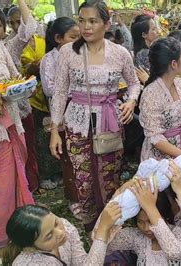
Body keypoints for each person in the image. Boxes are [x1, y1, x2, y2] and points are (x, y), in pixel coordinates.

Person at [49, 1, 141, 232]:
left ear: (106, 24)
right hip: (77, 123)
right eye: (82, 21)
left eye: (92, 21)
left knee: (110, 175)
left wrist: (131, 101)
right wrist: (55, 131)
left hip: (110, 121)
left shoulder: (120, 53)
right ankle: (91, 224)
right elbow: (60, 91)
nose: (86, 27)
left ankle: (111, 221)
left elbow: (134, 83)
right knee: (83, 177)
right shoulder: (68, 52)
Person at [95, 162, 181, 265]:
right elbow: (98, 238)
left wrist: (151, 207)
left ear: (164, 216)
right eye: (140, 222)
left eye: (150, 220)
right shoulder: (139, 238)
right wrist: (118, 196)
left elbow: (175, 250)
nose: (146, 228)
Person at [0, 38, 35, 255]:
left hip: (7, 124)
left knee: (7, 182)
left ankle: (11, 236)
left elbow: (13, 76)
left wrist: (20, 85)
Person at [40, 16, 80, 204]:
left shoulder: (80, 55)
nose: (78, 41)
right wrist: (73, 87)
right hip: (62, 114)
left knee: (82, 154)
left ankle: (86, 194)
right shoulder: (49, 59)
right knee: (68, 158)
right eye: (73, 37)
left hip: (80, 112)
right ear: (58, 39)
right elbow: (49, 88)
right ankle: (73, 197)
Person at [3, 204, 121, 265]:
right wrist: (101, 237)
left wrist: (100, 241)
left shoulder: (65, 225)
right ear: (30, 248)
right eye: (49, 236)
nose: (60, 232)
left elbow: (80, 262)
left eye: (56, 222)